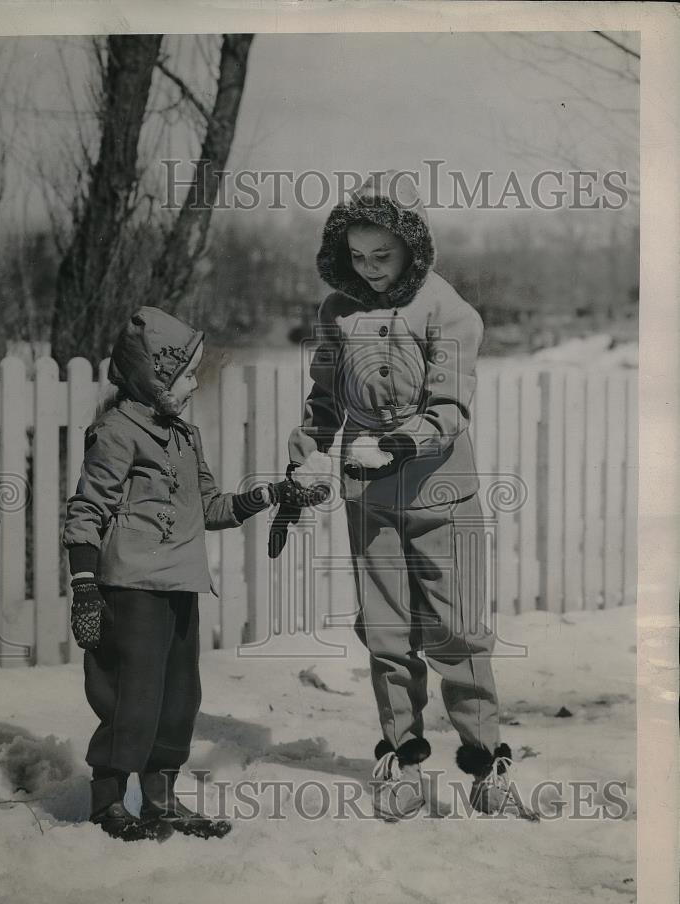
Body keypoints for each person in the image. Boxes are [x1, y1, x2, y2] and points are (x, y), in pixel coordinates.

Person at [287, 171, 538, 821]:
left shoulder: (449, 310)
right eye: (358, 257)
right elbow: (323, 400)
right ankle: (402, 755)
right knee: (385, 632)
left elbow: (450, 410)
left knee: (456, 632)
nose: (368, 270)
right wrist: (312, 451)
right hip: (368, 500)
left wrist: (399, 444)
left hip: (440, 492)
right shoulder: (336, 311)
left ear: (411, 248)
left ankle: (488, 761)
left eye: (383, 256)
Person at [63, 307, 285, 841]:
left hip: (182, 584)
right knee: (130, 697)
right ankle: (109, 803)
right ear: (153, 374)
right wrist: (85, 586)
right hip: (131, 588)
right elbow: (86, 510)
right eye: (186, 373)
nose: (193, 383)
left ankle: (161, 799)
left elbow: (209, 506)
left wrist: (260, 497)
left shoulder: (184, 434)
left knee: (179, 698)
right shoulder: (116, 433)